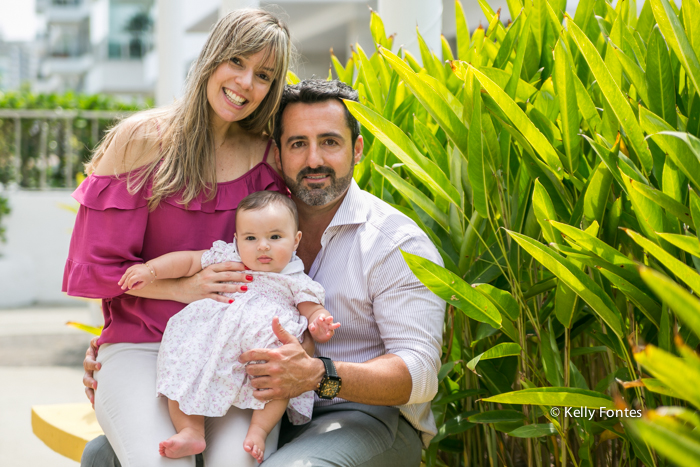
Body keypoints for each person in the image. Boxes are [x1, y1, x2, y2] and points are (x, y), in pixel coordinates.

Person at [82, 79, 446, 466]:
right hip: (259, 405)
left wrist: (317, 375)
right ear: (278, 153)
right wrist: (125, 361)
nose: (313, 160)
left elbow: (420, 373)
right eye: (297, 144)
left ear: (357, 149)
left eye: (330, 142)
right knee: (104, 455)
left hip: (361, 416)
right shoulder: (252, 227)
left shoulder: (395, 243)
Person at [63, 9, 293, 467]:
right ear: (211, 59)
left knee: (238, 463)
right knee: (164, 463)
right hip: (140, 346)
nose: (246, 82)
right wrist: (182, 289)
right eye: (236, 61)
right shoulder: (142, 139)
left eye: (264, 75)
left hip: (228, 355)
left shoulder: (269, 158)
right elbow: (96, 269)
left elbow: (282, 269)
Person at [118, 191, 340, 463]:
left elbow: (311, 309)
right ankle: (190, 430)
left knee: (278, 381)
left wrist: (320, 323)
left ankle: (258, 430)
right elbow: (188, 261)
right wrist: (150, 271)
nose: (262, 246)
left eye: (274, 237)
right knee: (183, 364)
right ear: (236, 240)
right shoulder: (227, 256)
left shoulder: (296, 279)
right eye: (250, 238)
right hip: (211, 340)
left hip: (262, 351)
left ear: (295, 241)